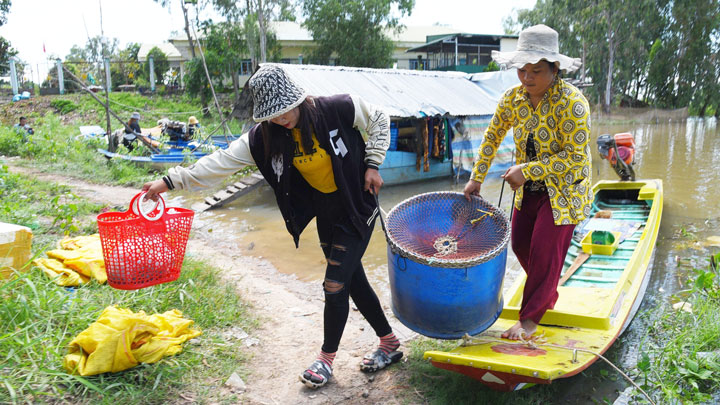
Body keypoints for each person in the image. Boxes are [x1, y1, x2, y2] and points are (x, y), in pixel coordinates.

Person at [141, 64, 402, 389]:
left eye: (285, 110)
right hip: (327, 210)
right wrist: (169, 181)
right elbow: (219, 163)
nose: (282, 118)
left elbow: (379, 118)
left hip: (356, 203)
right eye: (273, 114)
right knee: (353, 279)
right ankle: (389, 343)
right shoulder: (264, 138)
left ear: (298, 98)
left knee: (334, 284)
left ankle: (326, 359)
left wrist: (373, 163)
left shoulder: (337, 107)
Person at [463, 24, 592, 341]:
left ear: (555, 68)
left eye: (536, 70)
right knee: (520, 243)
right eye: (522, 69)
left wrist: (528, 170)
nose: (527, 77)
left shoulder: (573, 103)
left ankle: (529, 320)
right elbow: (492, 138)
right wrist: (477, 177)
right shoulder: (512, 99)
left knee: (545, 249)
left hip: (564, 191)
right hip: (528, 191)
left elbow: (576, 157)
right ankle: (546, 292)